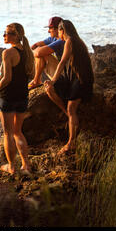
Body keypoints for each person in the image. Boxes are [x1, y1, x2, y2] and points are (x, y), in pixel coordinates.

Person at [45, 20, 94, 155]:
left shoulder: (70, 41)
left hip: (81, 80)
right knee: (50, 91)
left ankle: (71, 142)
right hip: (78, 79)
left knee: (71, 108)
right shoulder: (77, 40)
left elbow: (61, 63)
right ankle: (69, 119)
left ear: (62, 31)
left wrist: (53, 80)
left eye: (59, 31)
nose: (57, 34)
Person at [0, 23, 35, 175]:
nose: (5, 36)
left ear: (17, 35)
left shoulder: (8, 52)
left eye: (9, 33)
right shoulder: (27, 51)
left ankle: (11, 166)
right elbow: (30, 74)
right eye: (4, 33)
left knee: (8, 133)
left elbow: (7, 78)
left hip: (8, 96)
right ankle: (26, 165)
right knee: (18, 131)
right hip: (22, 96)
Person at [28, 16, 65, 90]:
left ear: (57, 29)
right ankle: (36, 80)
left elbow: (38, 53)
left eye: (50, 28)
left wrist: (36, 51)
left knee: (42, 54)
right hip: (60, 71)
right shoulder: (53, 38)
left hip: (64, 75)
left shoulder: (61, 41)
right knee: (41, 52)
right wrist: (35, 48)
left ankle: (36, 80)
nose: (48, 31)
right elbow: (35, 45)